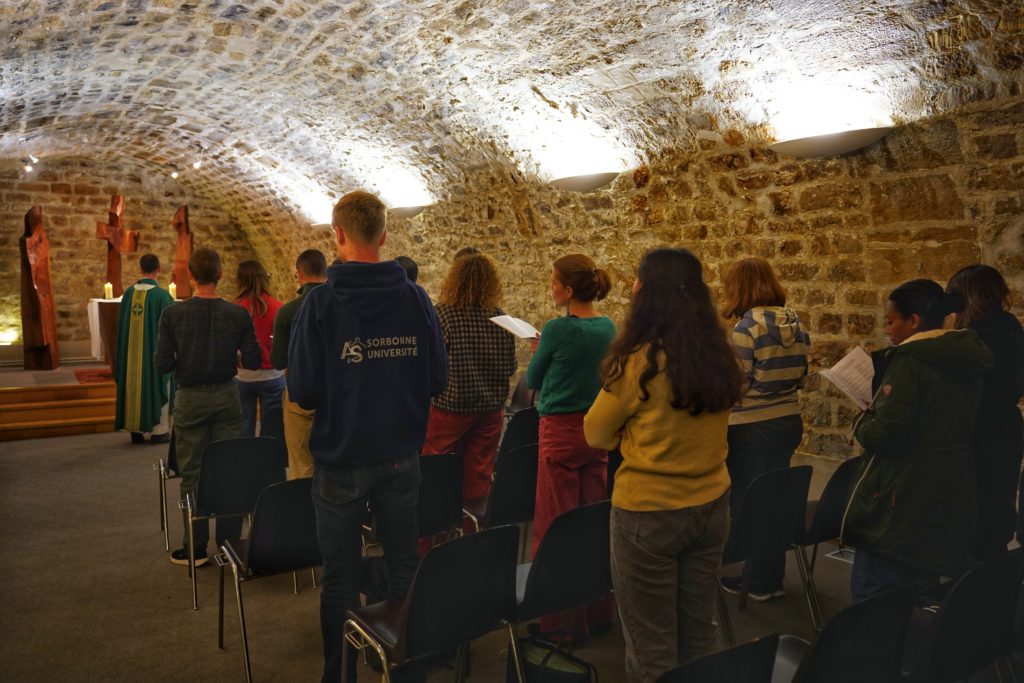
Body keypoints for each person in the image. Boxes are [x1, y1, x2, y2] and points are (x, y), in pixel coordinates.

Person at [287, 190, 448, 683]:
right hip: (401, 454)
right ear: (383, 235)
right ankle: (406, 668)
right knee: (403, 565)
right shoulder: (416, 298)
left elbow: (304, 390)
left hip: (342, 457)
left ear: (338, 235)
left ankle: (340, 675)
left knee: (340, 576)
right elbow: (438, 379)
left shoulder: (320, 303)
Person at [584, 248, 744, 682]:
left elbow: (595, 433)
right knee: (700, 631)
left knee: (651, 644)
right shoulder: (717, 354)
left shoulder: (638, 362)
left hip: (649, 514)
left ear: (645, 292)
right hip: (712, 504)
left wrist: (629, 434)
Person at [843, 279, 992, 602]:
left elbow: (886, 434)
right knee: (920, 591)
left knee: (877, 595)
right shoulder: (964, 356)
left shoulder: (910, 361)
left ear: (914, 321)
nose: (887, 330)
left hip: (901, 493)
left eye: (891, 321)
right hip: (943, 488)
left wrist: (863, 419)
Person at [526, 252, 615, 642]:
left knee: (555, 524)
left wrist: (539, 351)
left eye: (552, 281)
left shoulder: (556, 330)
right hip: (595, 428)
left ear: (565, 289)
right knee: (591, 521)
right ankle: (597, 612)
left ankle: (560, 622)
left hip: (560, 431)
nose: (550, 287)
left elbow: (533, 379)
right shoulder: (608, 326)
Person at [154, 247, 261, 566]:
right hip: (227, 395)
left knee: (192, 473)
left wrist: (186, 357)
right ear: (221, 275)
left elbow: (162, 364)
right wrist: (233, 355)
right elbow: (254, 359)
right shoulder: (237, 314)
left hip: (190, 398)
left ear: (190, 276)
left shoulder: (173, 314)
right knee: (229, 469)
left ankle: (195, 548)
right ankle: (229, 544)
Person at [718, 257, 810, 601]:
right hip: (788, 419)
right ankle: (771, 575)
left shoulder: (746, 328)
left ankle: (757, 580)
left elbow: (738, 384)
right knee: (774, 499)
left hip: (750, 425)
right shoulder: (796, 322)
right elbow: (802, 376)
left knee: (749, 503)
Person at [421, 252, 517, 504]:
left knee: (437, 472)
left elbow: (430, 365)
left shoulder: (443, 314)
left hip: (450, 408)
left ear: (455, 280)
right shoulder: (502, 319)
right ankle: (471, 524)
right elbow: (510, 367)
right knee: (478, 475)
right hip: (490, 410)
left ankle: (438, 523)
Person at [946, 265, 1024, 559]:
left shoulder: (972, 338)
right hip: (1006, 428)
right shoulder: (1011, 327)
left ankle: (973, 581)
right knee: (996, 511)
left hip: (976, 433)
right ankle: (994, 579)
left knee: (973, 519)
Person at [270, 249, 327, 480]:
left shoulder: (287, 312)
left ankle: (304, 502)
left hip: (300, 393)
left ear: (299, 274)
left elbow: (278, 361)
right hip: (335, 393)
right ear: (325, 272)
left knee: (301, 462)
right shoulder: (340, 305)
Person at [114, 253, 175, 444]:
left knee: (134, 382)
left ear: (140, 269)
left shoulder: (128, 295)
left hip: (131, 359)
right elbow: (171, 331)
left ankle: (135, 430)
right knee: (159, 382)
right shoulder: (162, 297)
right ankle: (159, 431)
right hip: (154, 357)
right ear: (159, 270)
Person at [234, 260, 285, 441]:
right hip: (272, 374)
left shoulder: (236, 308)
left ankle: (244, 458)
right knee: (272, 430)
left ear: (240, 281)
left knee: (243, 428)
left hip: (243, 375)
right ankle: (268, 458)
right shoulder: (278, 307)